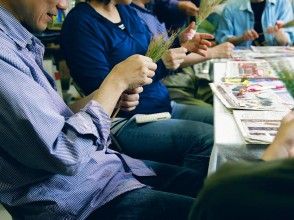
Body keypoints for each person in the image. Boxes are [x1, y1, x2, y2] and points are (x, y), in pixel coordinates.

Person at [0, 0, 207, 219]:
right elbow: (66, 153)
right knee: (214, 203)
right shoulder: (9, 53)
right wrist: (116, 82)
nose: (62, 5)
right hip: (82, 200)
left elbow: (55, 118)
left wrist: (113, 96)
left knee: (208, 185)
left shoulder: (18, 40)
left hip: (104, 169)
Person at [61, 0, 215, 177]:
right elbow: (103, 91)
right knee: (206, 139)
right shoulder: (80, 23)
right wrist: (163, 64)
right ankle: (191, 195)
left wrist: (180, 45)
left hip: (161, 105)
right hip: (124, 120)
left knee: (221, 120)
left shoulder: (127, 12)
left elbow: (148, 55)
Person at [189, 111, 294, 220]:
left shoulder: (227, 188)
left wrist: (279, 146)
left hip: (220, 198)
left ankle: (194, 189)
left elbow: (226, 189)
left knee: (209, 141)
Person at [216, 0, 294, 47]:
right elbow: (222, 41)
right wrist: (241, 38)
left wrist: (281, 35)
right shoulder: (231, 7)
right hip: (242, 60)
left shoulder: (282, 4)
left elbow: (288, 43)